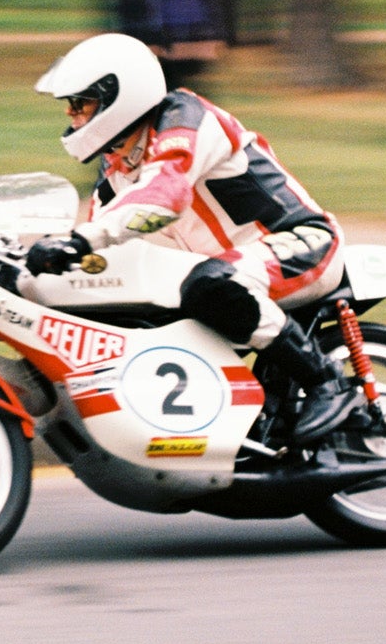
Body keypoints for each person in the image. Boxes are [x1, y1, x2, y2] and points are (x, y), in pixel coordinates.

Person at [25, 33, 358, 443]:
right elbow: (100, 249)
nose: (71, 114)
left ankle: (326, 381)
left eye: (81, 103)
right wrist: (36, 270)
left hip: (302, 242)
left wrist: (80, 241)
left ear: (117, 98)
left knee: (208, 284)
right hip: (234, 268)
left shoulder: (184, 120)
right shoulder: (117, 164)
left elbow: (163, 197)